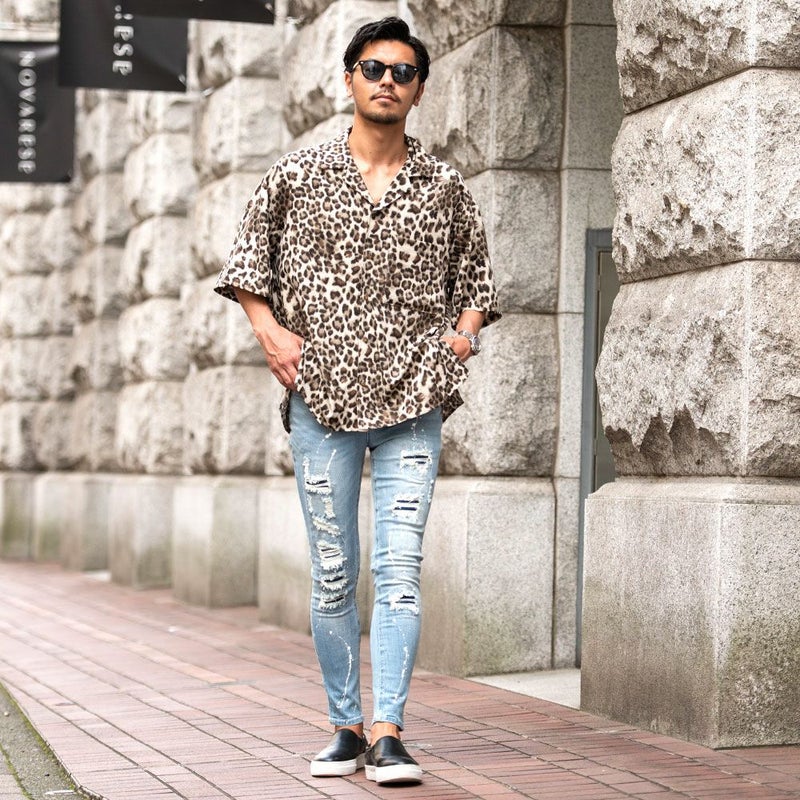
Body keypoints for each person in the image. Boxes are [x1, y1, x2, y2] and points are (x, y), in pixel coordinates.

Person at [214, 16, 499, 786]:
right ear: (349, 80)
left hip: (413, 403)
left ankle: (389, 731)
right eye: (373, 68)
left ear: (420, 89)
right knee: (336, 571)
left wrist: (462, 339)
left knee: (399, 568)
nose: (387, 82)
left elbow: (476, 277)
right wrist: (270, 334)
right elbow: (247, 264)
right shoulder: (298, 175)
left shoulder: (443, 187)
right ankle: (344, 725)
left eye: (403, 72)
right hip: (322, 403)